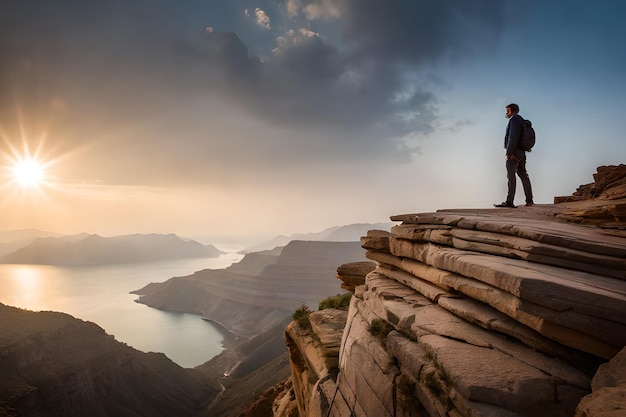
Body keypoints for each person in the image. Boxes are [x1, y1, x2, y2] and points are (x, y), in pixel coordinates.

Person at [494, 103, 534, 208]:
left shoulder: (514, 120)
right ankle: (529, 200)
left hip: (514, 152)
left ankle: (509, 202)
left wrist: (509, 152)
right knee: (523, 175)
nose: (506, 113)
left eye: (507, 110)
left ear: (512, 110)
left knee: (511, 176)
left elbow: (513, 137)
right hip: (522, 152)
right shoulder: (521, 120)